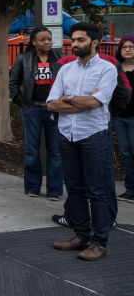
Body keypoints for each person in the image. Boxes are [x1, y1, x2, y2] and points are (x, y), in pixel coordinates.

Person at [47, 22, 117, 261]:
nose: (74, 44)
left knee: (97, 191)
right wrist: (80, 101)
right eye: (73, 40)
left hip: (94, 136)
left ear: (95, 42)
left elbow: (97, 103)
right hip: (67, 136)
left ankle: (99, 242)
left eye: (80, 40)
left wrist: (69, 100)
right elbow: (51, 104)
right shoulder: (66, 70)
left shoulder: (107, 70)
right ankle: (82, 235)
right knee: (75, 189)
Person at [8, 26, 64, 199]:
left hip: (54, 110)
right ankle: (32, 187)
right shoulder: (23, 59)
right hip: (32, 109)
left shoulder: (60, 59)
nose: (47, 42)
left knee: (55, 151)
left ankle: (54, 190)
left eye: (49, 39)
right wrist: (23, 103)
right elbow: (13, 84)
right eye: (42, 39)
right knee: (32, 150)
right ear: (34, 42)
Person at [116, 36, 134, 201]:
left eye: (131, 46)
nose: (127, 49)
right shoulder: (116, 68)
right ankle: (130, 190)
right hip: (120, 117)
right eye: (124, 47)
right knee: (126, 153)